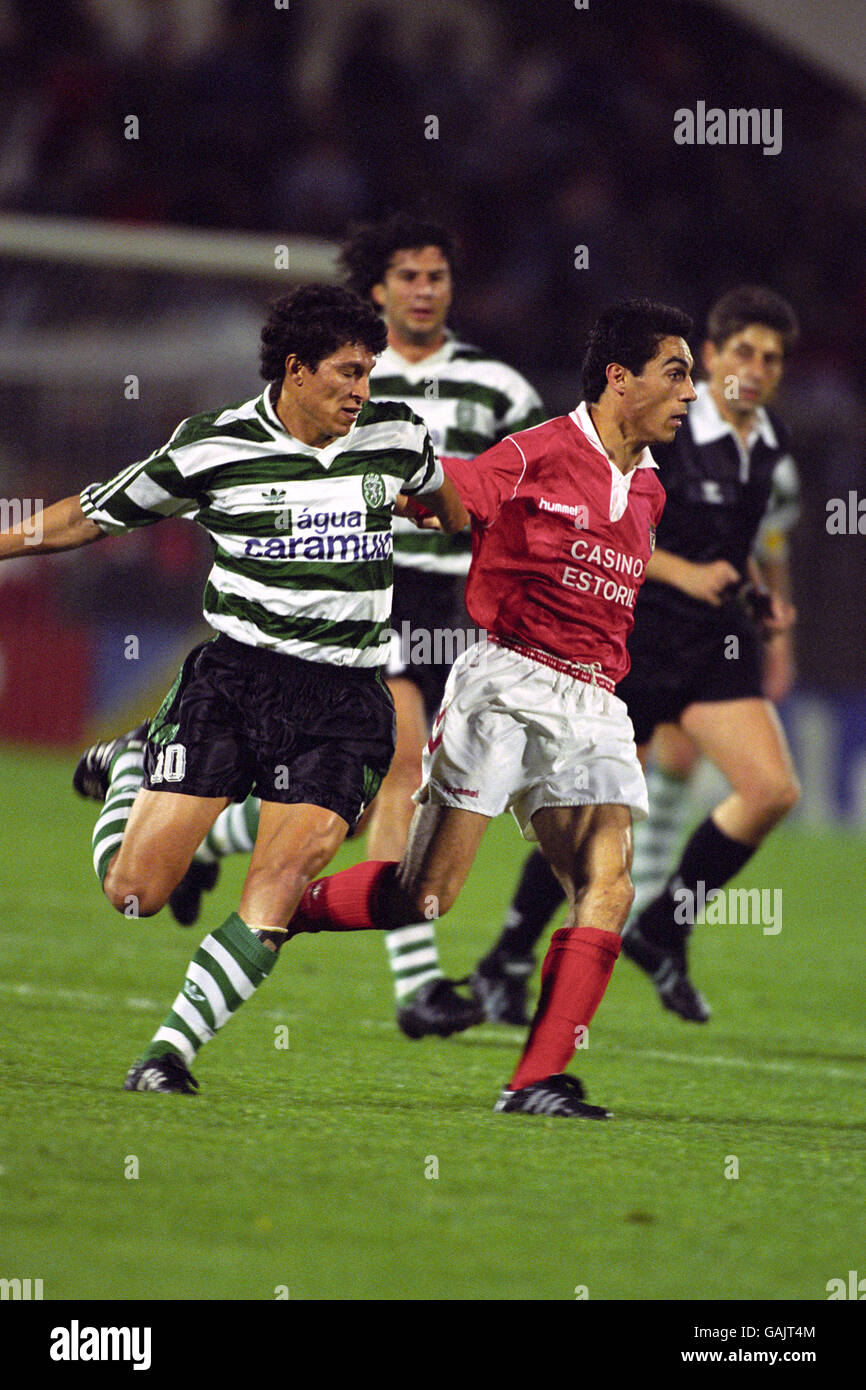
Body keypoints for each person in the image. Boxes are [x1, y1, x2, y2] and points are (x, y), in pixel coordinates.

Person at [0, 284, 466, 1094]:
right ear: (295, 369)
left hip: (348, 697)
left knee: (283, 883)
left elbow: (453, 505)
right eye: (348, 373)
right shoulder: (212, 446)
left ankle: (167, 1055)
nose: (363, 390)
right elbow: (92, 517)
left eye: (369, 372)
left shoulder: (395, 436)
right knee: (139, 894)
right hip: (237, 683)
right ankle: (125, 769)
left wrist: (433, 514)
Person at [270, 298, 697, 1118]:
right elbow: (462, 487)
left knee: (607, 883)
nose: (689, 393)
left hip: (593, 703)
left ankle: (536, 1080)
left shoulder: (649, 490)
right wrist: (407, 492)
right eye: (675, 373)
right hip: (506, 687)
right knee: (422, 896)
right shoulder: (538, 452)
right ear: (619, 377)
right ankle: (281, 911)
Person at [172, 213, 546, 1041]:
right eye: (407, 276)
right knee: (407, 765)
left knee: (373, 789)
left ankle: (211, 834)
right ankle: (417, 982)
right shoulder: (352, 376)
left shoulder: (503, 388)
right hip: (370, 588)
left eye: (437, 275)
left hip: (449, 599)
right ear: (374, 290)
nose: (424, 289)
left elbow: (520, 492)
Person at [470, 285, 801, 1025]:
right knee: (590, 819)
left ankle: (663, 930)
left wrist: (757, 601)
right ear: (710, 357)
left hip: (714, 644)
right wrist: (685, 573)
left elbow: (734, 549)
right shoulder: (670, 427)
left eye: (772, 358)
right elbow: (606, 527)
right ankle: (508, 959)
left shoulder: (769, 444)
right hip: (635, 636)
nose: (756, 367)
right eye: (742, 351)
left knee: (772, 791)